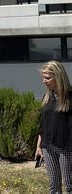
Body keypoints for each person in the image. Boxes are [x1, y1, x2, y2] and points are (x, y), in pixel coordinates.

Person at [35, 60, 72, 194]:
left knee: (69, 185)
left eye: (47, 77)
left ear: (58, 76)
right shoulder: (47, 97)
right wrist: (39, 146)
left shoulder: (69, 97)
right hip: (48, 147)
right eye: (43, 77)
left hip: (66, 148)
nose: (44, 81)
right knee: (54, 187)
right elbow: (42, 125)